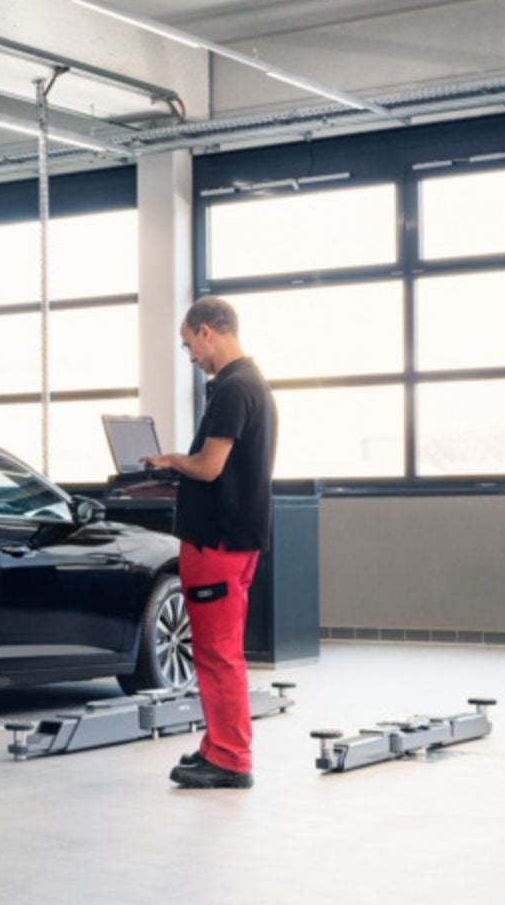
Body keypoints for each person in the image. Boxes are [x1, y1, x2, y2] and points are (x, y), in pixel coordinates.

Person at [142, 296, 276, 789]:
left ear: (207, 333)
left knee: (216, 654)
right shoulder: (252, 383)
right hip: (238, 539)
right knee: (225, 652)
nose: (191, 357)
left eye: (188, 346)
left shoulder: (232, 388)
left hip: (215, 544)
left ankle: (230, 758)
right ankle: (221, 745)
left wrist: (173, 460)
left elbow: (210, 466)